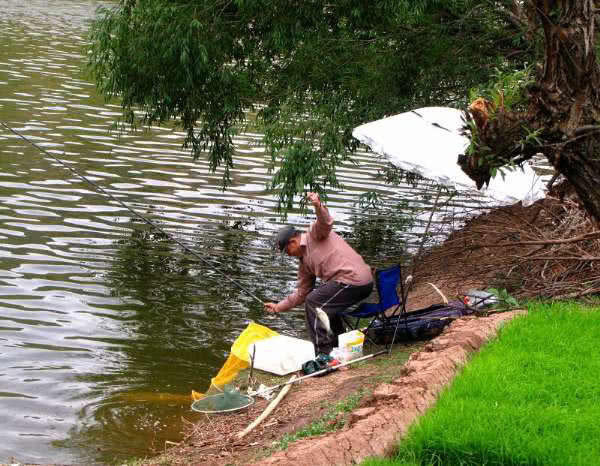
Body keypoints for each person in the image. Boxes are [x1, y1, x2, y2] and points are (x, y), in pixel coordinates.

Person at [264, 192, 374, 355]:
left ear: (293, 242)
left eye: (286, 251)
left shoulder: (314, 235)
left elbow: (325, 221)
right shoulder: (304, 263)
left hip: (354, 281)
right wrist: (278, 307)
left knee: (314, 302)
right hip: (350, 284)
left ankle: (323, 355)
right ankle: (337, 346)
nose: (287, 255)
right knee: (324, 301)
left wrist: (317, 205)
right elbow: (301, 293)